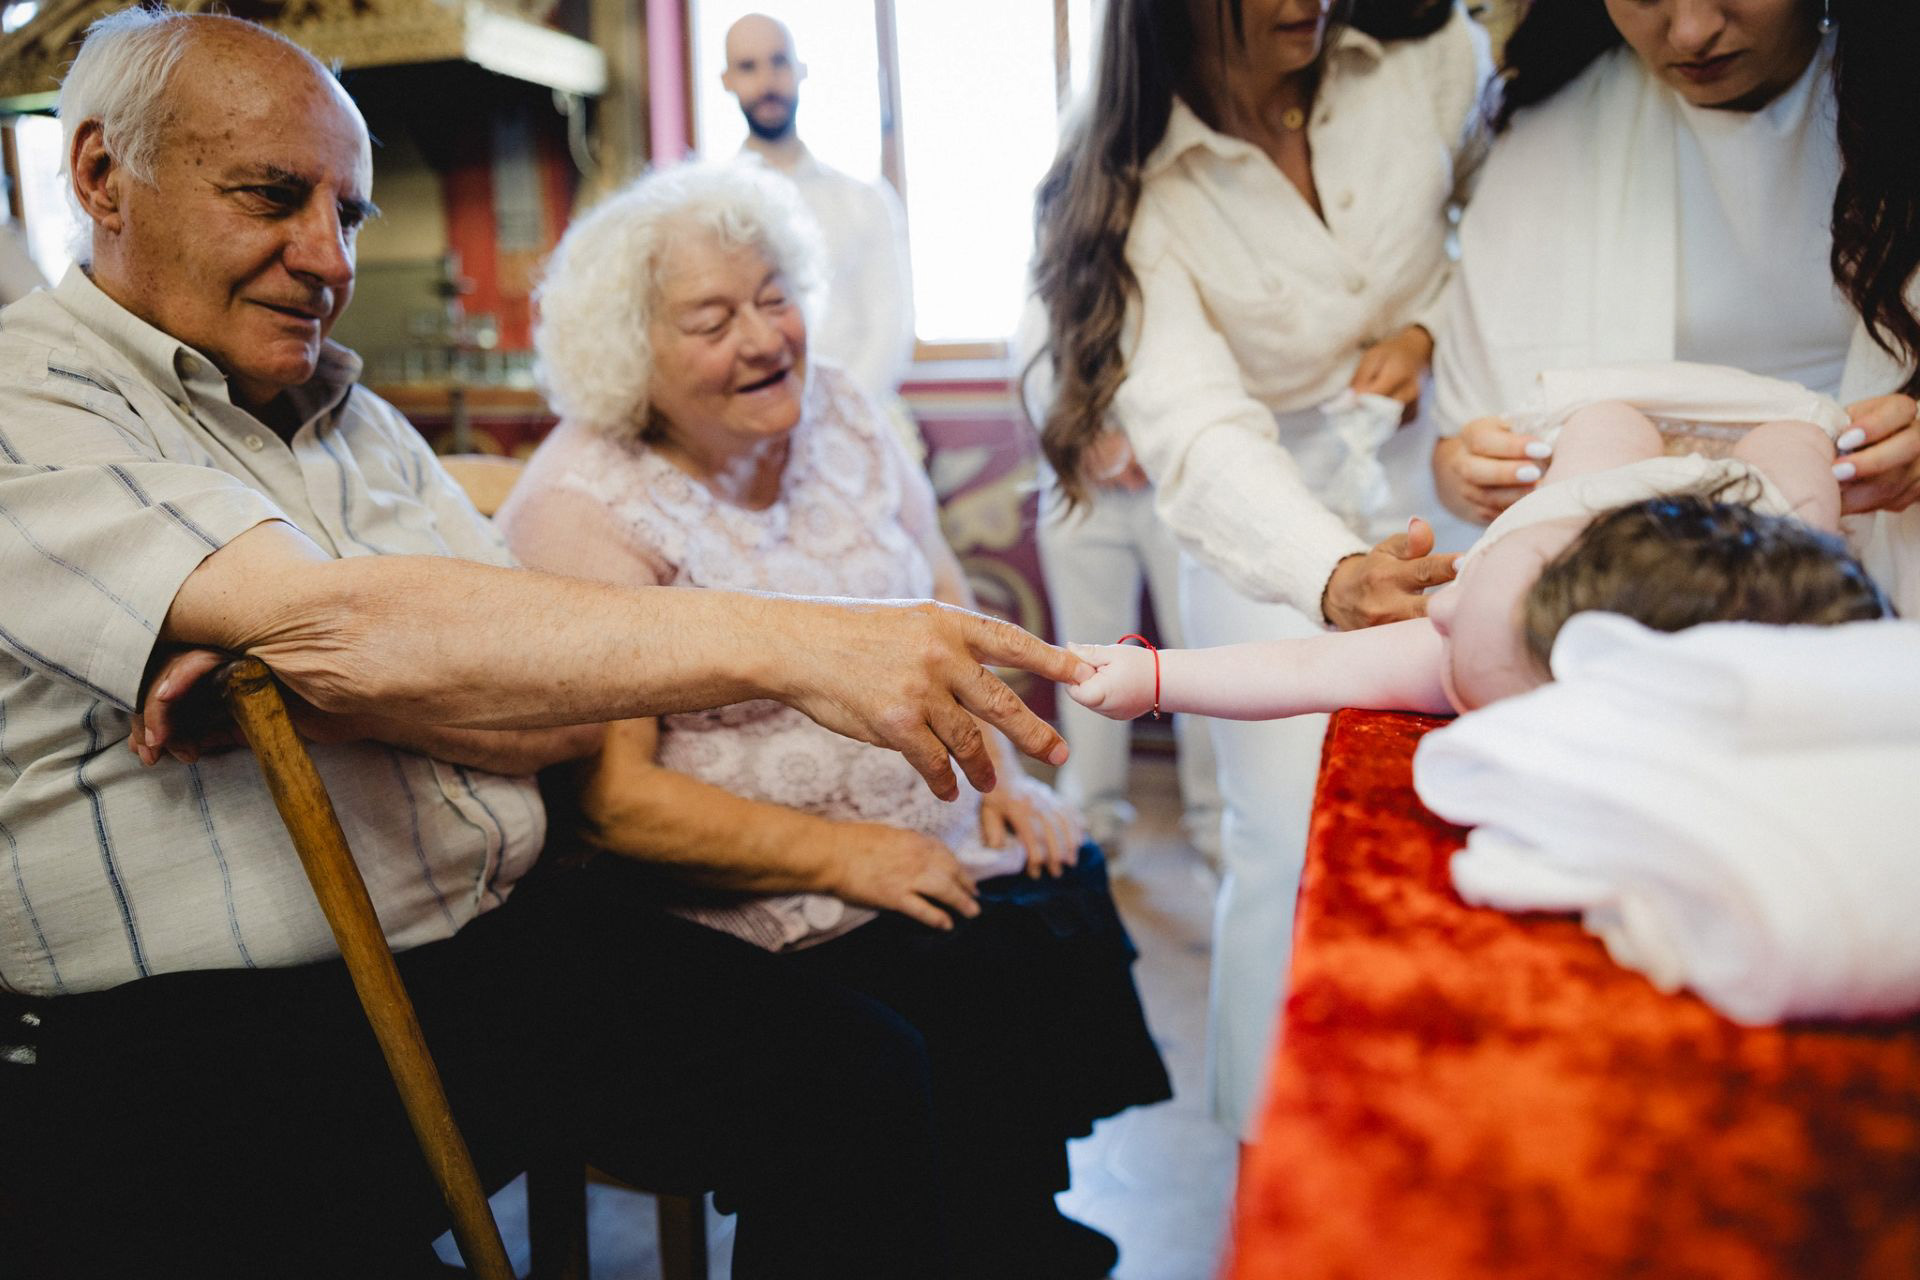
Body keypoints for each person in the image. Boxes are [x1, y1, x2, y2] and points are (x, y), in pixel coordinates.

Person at [0, 12, 1092, 1278]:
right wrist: (797, 646)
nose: (325, 257)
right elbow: (361, 627)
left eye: (348, 215)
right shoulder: (33, 404)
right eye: (273, 196)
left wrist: (342, 686)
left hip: (494, 946)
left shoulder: (351, 419)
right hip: (193, 1026)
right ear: (99, 177)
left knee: (861, 1076)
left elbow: (565, 708)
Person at [496, 160, 1172, 1280]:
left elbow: (946, 603)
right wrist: (853, 855)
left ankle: (1006, 1240)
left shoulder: (846, 414)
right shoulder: (587, 507)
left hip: (923, 840)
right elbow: (611, 801)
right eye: (713, 318)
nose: (764, 339)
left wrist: (999, 779)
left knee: (1052, 897)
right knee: (926, 1008)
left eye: (774, 295)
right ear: (631, 355)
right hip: (731, 895)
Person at [1028, 0, 1489, 1138]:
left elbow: (1500, 224)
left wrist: (1429, 327)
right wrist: (1330, 571)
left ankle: (1443, 1119)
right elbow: (1196, 427)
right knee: (1284, 846)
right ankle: (1278, 1149)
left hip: (1442, 478)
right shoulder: (1134, 175)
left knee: (1463, 818)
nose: (1307, 4)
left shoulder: (1425, 54)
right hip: (1262, 530)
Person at [1431, 0, 1920, 613]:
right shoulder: (1556, 126)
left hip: (1878, 551)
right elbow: (1457, 439)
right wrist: (1472, 471)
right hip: (1631, 574)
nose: (1691, 33)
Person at [1067, 396, 1891, 724]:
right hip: (1582, 508)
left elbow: (1304, 669)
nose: (1438, 611)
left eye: (1456, 661)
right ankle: (1621, 427)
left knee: (1805, 497)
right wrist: (1155, 678)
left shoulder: (1482, 641)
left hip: (1705, 543)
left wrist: (1157, 680)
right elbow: (1300, 661)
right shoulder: (1495, 605)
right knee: (1620, 430)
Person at [719, 12, 916, 416]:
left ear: (799, 70)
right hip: (752, 427)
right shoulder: (712, 210)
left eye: (778, 62)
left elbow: (889, 331)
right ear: (728, 81)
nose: (767, 82)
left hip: (855, 419)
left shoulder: (865, 202)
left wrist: (828, 421)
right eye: (748, 66)